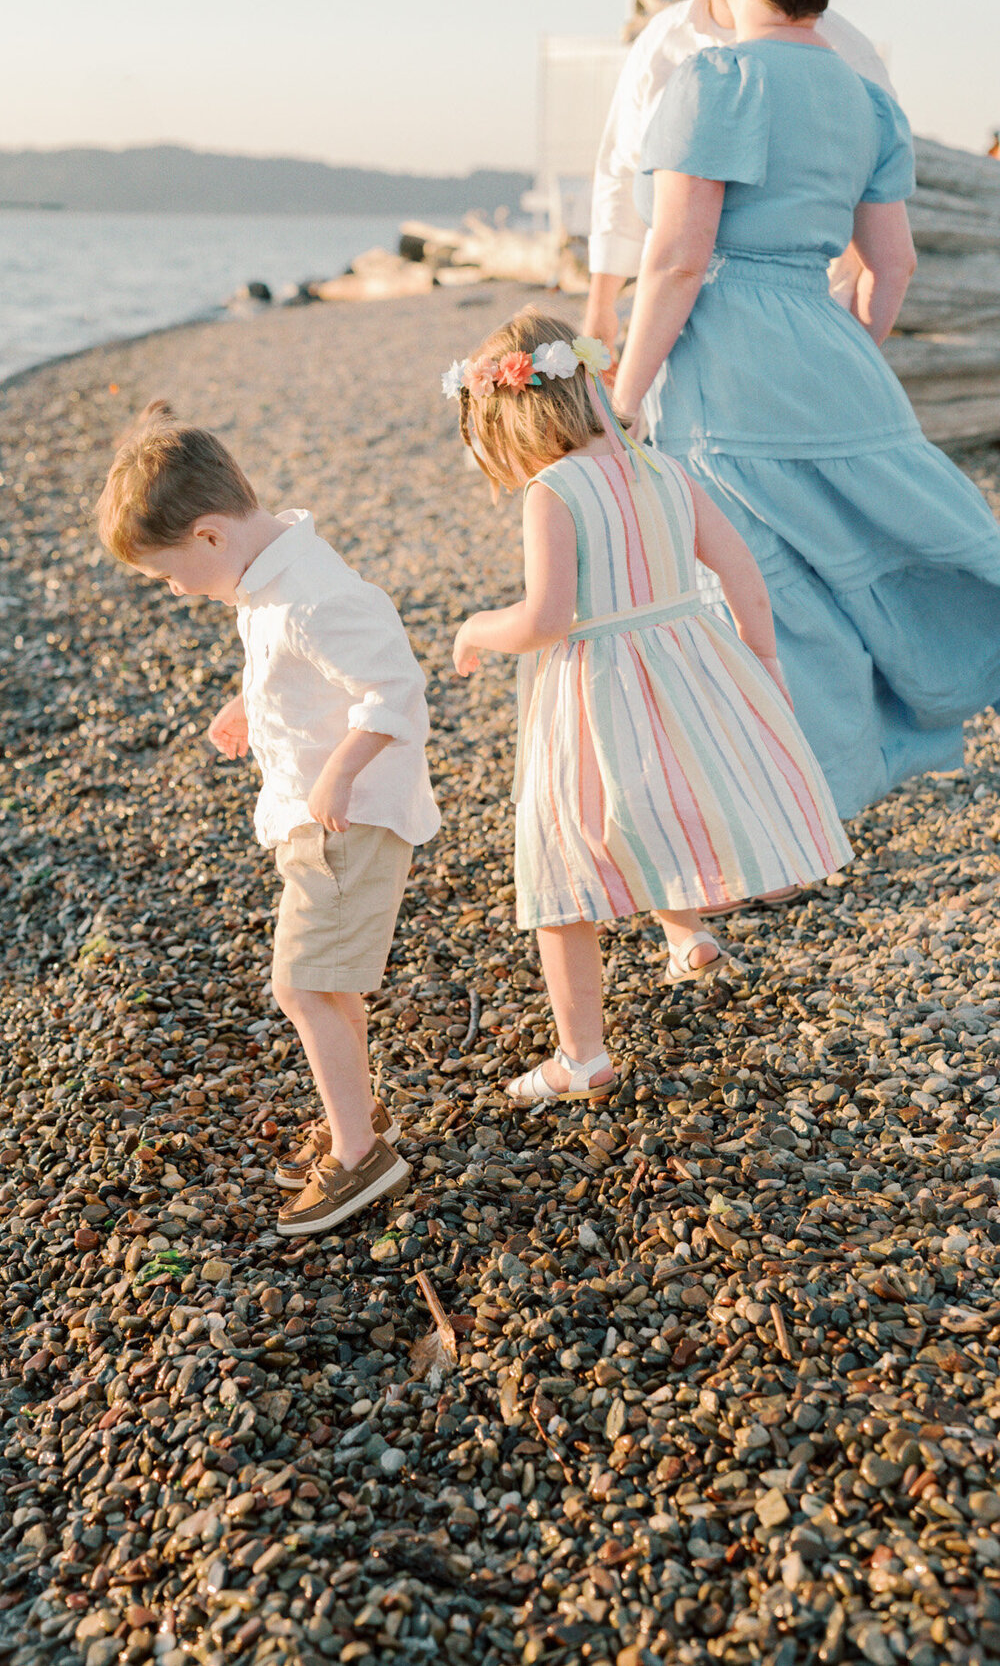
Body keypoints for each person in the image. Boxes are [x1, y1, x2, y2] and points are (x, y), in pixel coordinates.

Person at [609, 0, 1000, 819]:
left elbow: (675, 261)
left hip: (725, 370)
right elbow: (890, 262)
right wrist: (845, 347)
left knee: (760, 589)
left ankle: (790, 807)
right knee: (850, 565)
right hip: (828, 352)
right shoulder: (868, 101)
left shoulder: (716, 78)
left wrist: (621, 397)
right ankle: (823, 786)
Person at [445, 310, 850, 1105]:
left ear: (513, 417)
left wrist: (476, 628)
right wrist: (761, 665)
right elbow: (743, 574)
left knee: (567, 853)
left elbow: (546, 619)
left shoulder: (552, 492)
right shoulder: (662, 468)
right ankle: (688, 935)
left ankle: (582, 1054)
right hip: (689, 662)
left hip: (596, 683)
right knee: (665, 796)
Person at [96, 402, 439, 1234]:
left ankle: (359, 1156)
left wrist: (341, 770)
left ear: (210, 536)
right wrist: (249, 702)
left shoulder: (311, 597)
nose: (177, 591)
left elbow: (396, 689)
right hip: (315, 816)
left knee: (303, 983)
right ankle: (358, 1112)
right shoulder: (271, 577)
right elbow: (295, 665)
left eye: (171, 574)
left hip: (348, 817)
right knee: (329, 981)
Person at [583, 0, 892, 353]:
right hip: (670, 334)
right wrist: (600, 308)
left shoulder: (850, 57)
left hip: (806, 335)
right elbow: (619, 172)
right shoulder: (659, 47)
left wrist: (845, 345)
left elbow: (880, 228)